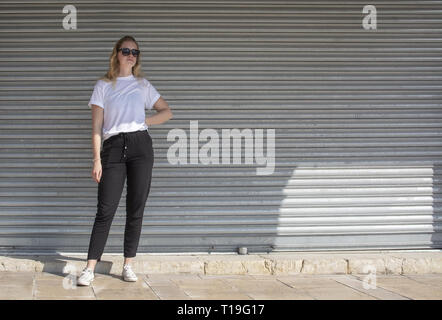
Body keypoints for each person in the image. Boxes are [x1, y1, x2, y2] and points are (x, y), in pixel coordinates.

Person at [77, 35, 173, 286]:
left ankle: (128, 265)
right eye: (126, 50)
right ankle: (89, 268)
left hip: (141, 146)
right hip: (113, 147)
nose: (131, 55)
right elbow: (96, 126)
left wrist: (145, 122)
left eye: (135, 52)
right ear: (117, 53)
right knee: (105, 209)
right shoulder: (103, 85)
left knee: (135, 209)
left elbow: (167, 112)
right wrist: (96, 159)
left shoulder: (143, 85)